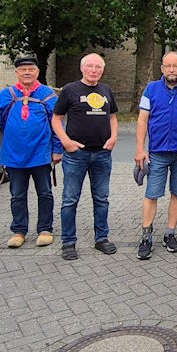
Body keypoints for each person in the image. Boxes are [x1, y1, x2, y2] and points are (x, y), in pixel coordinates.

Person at [0, 56, 62, 248]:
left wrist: (57, 149)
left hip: (41, 154)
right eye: (23, 70)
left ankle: (45, 229)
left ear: (37, 72)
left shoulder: (47, 95)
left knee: (45, 193)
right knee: (17, 194)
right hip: (14, 156)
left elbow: (57, 123)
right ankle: (19, 230)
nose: (27, 73)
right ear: (17, 73)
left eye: (31, 69)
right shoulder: (6, 95)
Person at [135, 52, 177, 260]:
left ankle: (170, 233)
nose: (172, 70)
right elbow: (142, 121)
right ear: (162, 68)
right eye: (168, 66)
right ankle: (146, 236)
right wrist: (140, 148)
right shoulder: (151, 89)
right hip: (157, 152)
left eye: (176, 66)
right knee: (152, 194)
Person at [51, 53, 119, 260]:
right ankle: (68, 242)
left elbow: (113, 117)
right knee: (70, 200)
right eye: (90, 66)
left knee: (102, 199)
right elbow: (56, 119)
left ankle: (102, 238)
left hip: (102, 154)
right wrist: (66, 141)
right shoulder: (70, 90)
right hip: (76, 155)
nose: (94, 70)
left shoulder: (106, 90)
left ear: (102, 70)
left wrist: (114, 137)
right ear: (82, 68)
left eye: (98, 67)